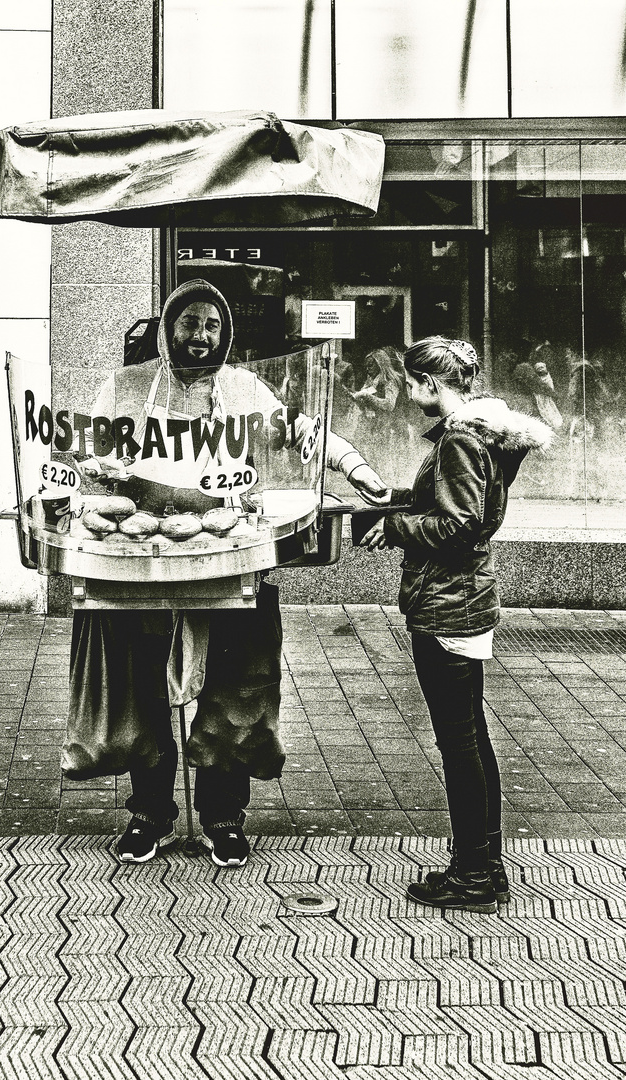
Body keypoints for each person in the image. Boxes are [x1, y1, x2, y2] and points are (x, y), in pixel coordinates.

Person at [63, 279, 389, 868]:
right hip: (146, 563)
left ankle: (222, 818)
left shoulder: (243, 386)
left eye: (212, 326)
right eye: (189, 324)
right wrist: (84, 477)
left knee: (236, 691)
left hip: (231, 557)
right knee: (141, 690)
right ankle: (150, 815)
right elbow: (78, 444)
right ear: (168, 329)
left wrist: (353, 465)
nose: (201, 337)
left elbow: (301, 431)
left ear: (227, 333)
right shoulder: (126, 385)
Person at [361, 337, 552, 913]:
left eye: (412, 382)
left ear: (431, 384)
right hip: (464, 599)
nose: (407, 392)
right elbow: (450, 506)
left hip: (449, 602)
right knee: (469, 737)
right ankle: (481, 866)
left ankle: (475, 873)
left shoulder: (460, 440)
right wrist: (393, 498)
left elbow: (461, 524)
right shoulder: (481, 432)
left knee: (461, 742)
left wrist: (395, 528)